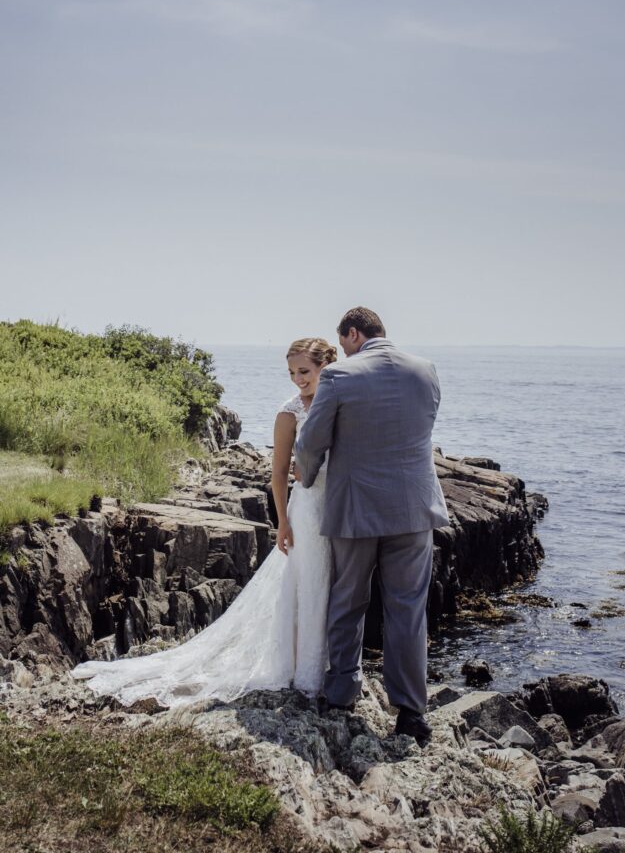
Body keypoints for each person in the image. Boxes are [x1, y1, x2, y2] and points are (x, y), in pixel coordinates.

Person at [72, 338, 335, 708]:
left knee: (332, 587)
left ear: (327, 366)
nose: (297, 379)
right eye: (292, 372)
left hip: (340, 510)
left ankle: (331, 669)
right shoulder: (289, 413)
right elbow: (278, 474)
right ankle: (308, 675)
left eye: (304, 371)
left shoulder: (340, 404)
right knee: (307, 585)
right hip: (307, 511)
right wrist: (283, 523)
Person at [295, 307, 449, 745]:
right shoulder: (426, 370)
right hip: (414, 509)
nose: (341, 350)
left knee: (349, 599)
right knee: (408, 609)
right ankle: (411, 713)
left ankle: (342, 690)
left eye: (342, 342)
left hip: (356, 508)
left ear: (354, 333)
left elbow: (312, 443)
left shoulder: (340, 378)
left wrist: (305, 480)